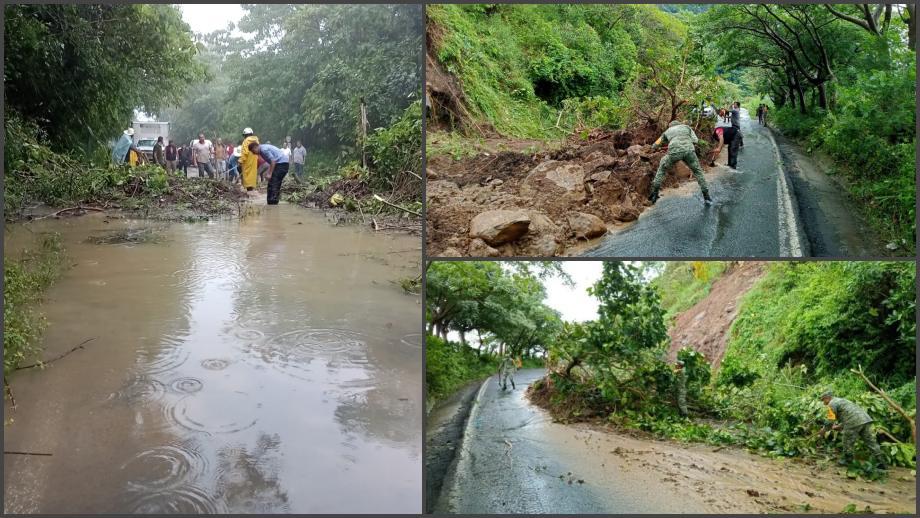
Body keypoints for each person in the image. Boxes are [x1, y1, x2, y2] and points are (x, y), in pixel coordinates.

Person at [649, 120, 711, 205]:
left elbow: (656, 144)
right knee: (698, 172)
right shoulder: (687, 127)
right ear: (679, 124)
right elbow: (695, 140)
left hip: (674, 153)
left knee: (662, 169)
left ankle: (655, 194)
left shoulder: (667, 131)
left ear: (670, 126)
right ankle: (707, 196)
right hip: (689, 151)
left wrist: (651, 148)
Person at [820, 391, 887, 469]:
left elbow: (830, 421)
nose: (823, 403)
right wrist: (840, 426)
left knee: (847, 441)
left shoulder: (831, 404)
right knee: (870, 441)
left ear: (827, 398)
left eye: (823, 400)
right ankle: (881, 462)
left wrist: (823, 430)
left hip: (853, 421)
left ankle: (847, 461)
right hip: (864, 419)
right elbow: (849, 413)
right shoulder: (842, 400)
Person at [239, 127, 261, 193]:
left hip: (247, 161)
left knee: (247, 174)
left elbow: (244, 153)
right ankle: (252, 188)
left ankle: (249, 190)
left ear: (245, 135)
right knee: (253, 174)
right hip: (254, 160)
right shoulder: (257, 141)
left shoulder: (245, 141)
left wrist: (241, 161)